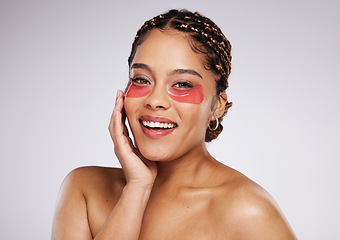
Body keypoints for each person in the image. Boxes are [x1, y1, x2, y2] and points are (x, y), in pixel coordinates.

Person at [52, 9, 297, 240]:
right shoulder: (83, 189)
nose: (155, 100)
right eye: (141, 79)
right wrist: (137, 187)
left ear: (217, 106)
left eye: (182, 84)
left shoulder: (248, 210)